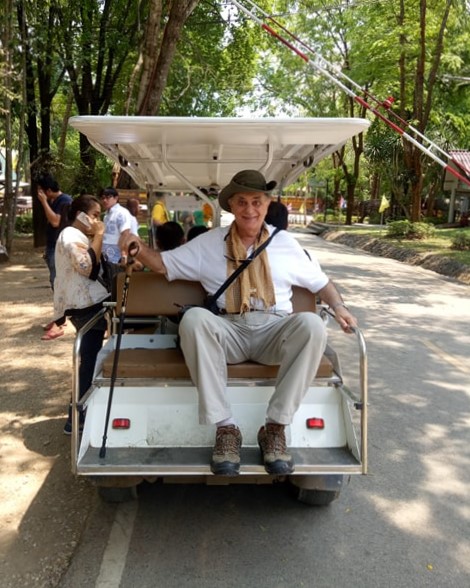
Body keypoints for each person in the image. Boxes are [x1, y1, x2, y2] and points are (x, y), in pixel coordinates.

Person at [119, 169, 357, 477]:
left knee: (312, 325)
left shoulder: (286, 243)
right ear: (231, 206)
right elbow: (164, 264)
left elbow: (321, 283)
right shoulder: (209, 243)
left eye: (256, 201)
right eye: (242, 202)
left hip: (274, 331)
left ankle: (275, 428)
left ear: (266, 205)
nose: (249, 209)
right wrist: (137, 243)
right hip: (228, 330)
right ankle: (226, 430)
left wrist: (339, 307)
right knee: (193, 319)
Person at [53, 194, 110, 434]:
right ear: (81, 215)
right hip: (85, 306)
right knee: (88, 362)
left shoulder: (77, 236)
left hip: (88, 304)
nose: (98, 221)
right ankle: (76, 417)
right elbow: (87, 266)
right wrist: (98, 235)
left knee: (89, 359)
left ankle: (77, 414)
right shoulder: (70, 235)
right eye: (95, 215)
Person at [37, 174, 73, 340]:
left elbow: (55, 222)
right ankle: (60, 317)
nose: (39, 193)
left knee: (58, 283)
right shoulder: (55, 201)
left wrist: (44, 202)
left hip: (60, 248)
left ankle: (60, 321)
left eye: (41, 191)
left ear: (49, 190)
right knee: (55, 282)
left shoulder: (64, 201)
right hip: (53, 246)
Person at [100, 187, 133, 263]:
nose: (105, 200)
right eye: (103, 198)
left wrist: (123, 253)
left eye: (108, 197)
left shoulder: (121, 213)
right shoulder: (106, 215)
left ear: (116, 198)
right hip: (105, 253)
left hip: (116, 254)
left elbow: (125, 233)